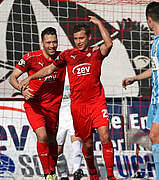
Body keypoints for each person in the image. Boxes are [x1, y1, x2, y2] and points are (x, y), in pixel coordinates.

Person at [20, 16, 116, 180]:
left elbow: (109, 44)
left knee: (105, 134)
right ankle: (92, 172)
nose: (78, 42)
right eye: (76, 39)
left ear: (89, 38)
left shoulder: (95, 53)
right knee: (86, 143)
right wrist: (31, 77)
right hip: (78, 106)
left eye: (82, 38)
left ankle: (110, 175)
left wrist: (100, 24)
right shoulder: (67, 55)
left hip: (97, 102)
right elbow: (50, 68)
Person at [122, 2, 159, 180]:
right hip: (157, 97)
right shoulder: (156, 41)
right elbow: (155, 69)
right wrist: (134, 78)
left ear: (149, 19)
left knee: (154, 134)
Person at [8, 27, 65, 180]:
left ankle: (52, 172)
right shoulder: (30, 58)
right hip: (34, 106)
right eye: (48, 42)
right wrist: (22, 89)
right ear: (42, 43)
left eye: (54, 42)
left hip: (54, 106)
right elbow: (12, 78)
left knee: (53, 141)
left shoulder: (62, 58)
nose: (52, 45)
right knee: (42, 136)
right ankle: (48, 173)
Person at [56, 72, 84, 180]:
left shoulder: (75, 72)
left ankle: (77, 170)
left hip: (74, 112)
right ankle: (63, 175)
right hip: (58, 115)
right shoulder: (51, 72)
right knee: (57, 150)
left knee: (76, 144)